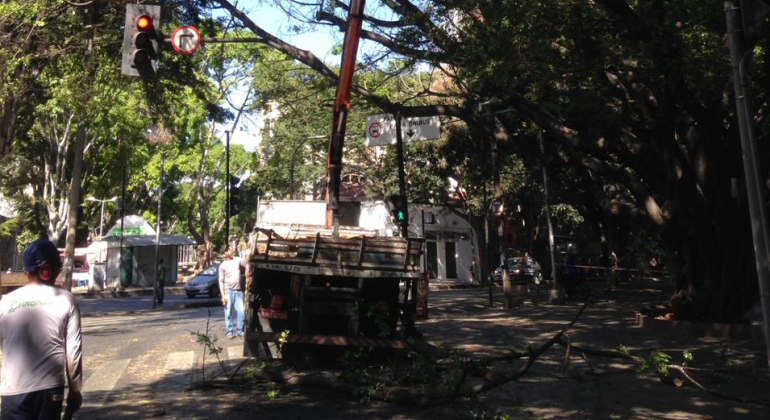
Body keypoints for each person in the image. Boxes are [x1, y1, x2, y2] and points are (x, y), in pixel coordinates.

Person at [0, 238, 83, 419]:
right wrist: (75, 391)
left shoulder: (5, 303)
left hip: (12, 391)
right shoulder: (66, 300)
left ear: (28, 272)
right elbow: (73, 352)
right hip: (50, 390)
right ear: (48, 270)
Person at [219, 250, 245, 339]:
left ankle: (240, 331)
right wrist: (223, 296)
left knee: (241, 311)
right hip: (228, 291)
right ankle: (229, 332)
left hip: (238, 291)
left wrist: (249, 258)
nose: (229, 252)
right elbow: (221, 281)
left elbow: (245, 263)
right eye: (227, 251)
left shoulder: (237, 260)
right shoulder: (222, 265)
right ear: (224, 254)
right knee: (228, 312)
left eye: (230, 250)